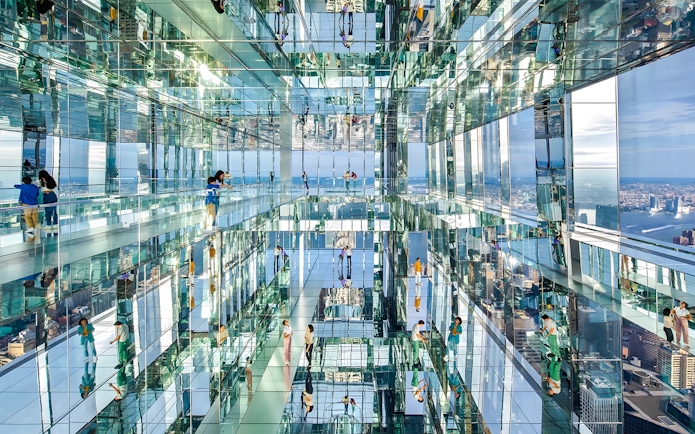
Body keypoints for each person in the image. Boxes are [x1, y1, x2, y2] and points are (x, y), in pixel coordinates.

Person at [38, 170, 58, 235]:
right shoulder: (49, 180)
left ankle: (51, 224)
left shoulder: (43, 181)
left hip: (48, 195)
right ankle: (53, 225)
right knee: (51, 211)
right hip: (50, 195)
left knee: (50, 211)